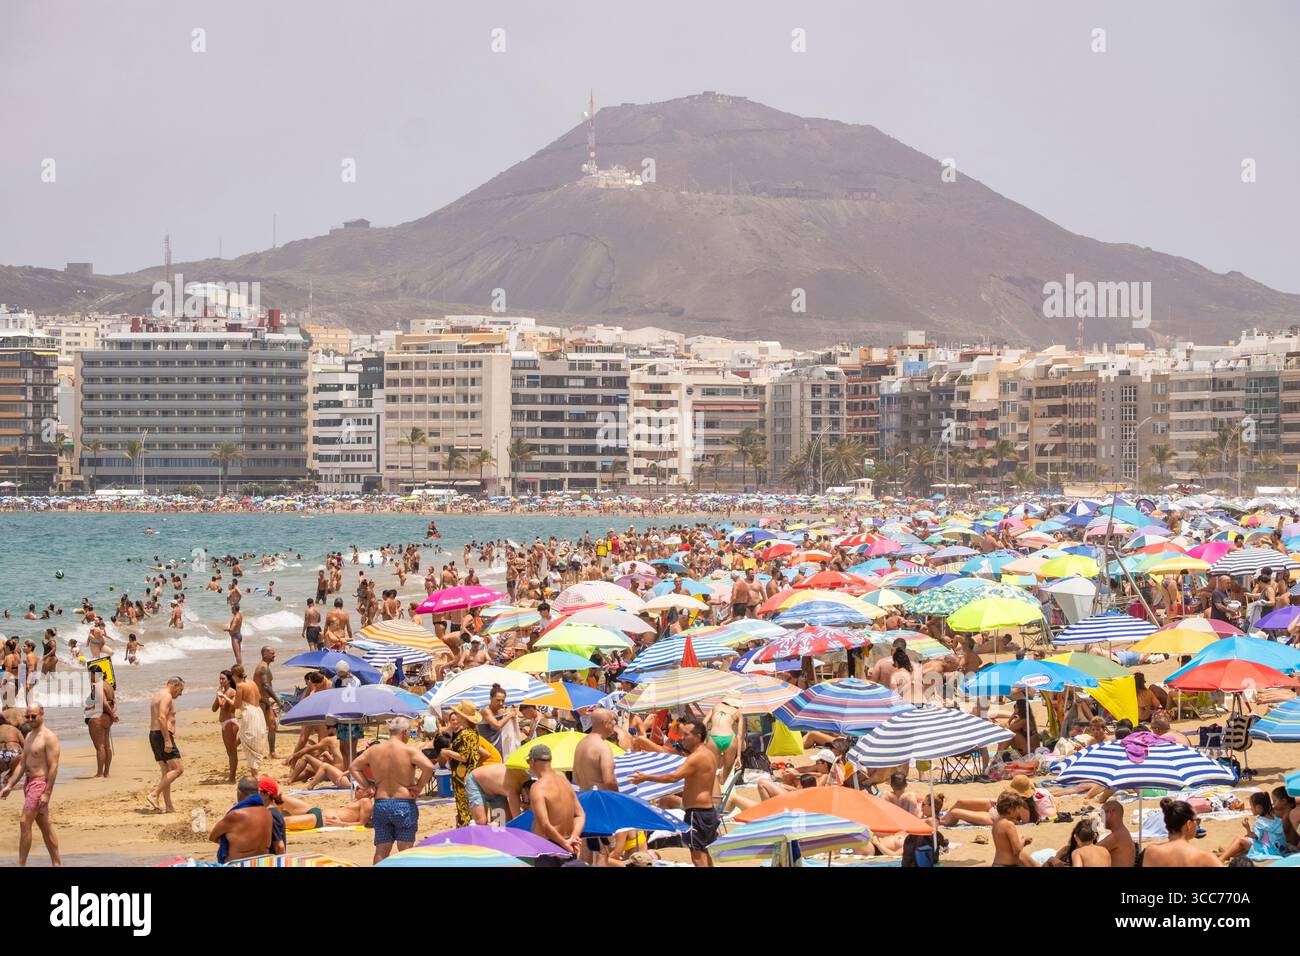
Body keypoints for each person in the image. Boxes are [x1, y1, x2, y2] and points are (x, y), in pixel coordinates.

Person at [630, 719, 719, 866]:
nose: (682, 738)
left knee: (698, 856)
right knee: (705, 851)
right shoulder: (708, 754)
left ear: (697, 737)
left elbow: (674, 777)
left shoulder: (696, 757)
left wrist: (646, 777)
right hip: (708, 811)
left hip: (697, 813)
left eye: (686, 735)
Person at [348, 716, 433, 863]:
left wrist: (367, 785)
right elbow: (429, 767)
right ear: (405, 732)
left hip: (381, 804)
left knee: (382, 850)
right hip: (404, 804)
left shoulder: (374, 750)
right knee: (406, 850)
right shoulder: (409, 750)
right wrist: (419, 787)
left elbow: (353, 767)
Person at [0, 703, 61, 866]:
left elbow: (54, 767)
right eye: (27, 716)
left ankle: (21, 864)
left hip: (40, 784)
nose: (30, 719)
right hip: (29, 783)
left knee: (24, 822)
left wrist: (47, 792)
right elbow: (22, 763)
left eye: (34, 716)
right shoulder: (28, 736)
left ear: (42, 715)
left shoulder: (49, 737)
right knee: (44, 825)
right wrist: (9, 785)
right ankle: (57, 863)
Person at [525, 744, 583, 864]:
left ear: (532, 761)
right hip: (568, 846)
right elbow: (580, 815)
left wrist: (564, 844)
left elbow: (545, 825)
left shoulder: (537, 787)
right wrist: (572, 838)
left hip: (548, 850)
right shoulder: (564, 780)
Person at [440, 701, 485, 827]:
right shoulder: (473, 732)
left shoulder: (465, 734)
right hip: (469, 774)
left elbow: (464, 757)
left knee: (464, 809)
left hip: (462, 778)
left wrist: (447, 752)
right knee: (469, 808)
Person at [208, 777, 274, 864]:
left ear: (239, 792)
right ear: (258, 792)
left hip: (239, 864)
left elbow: (213, 837)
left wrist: (228, 843)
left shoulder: (236, 815)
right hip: (262, 863)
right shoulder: (268, 814)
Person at [1142, 799, 1221, 867]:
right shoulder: (1205, 858)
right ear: (1189, 824)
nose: (1197, 824)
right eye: (1197, 821)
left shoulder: (1151, 852)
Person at [146, 676, 185, 812]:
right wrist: (167, 740)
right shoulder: (167, 696)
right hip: (162, 736)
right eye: (181, 689)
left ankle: (169, 806)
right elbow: (162, 717)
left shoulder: (158, 695)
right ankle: (154, 794)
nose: (180, 694)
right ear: (175, 685)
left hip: (154, 735)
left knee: (166, 772)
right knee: (178, 769)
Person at [1218, 791, 1288, 864]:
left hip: (1267, 850)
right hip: (1279, 849)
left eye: (1251, 807)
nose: (1251, 809)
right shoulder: (1276, 818)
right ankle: (1227, 854)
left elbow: (1254, 836)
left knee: (1240, 840)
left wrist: (1247, 828)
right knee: (1246, 842)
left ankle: (1221, 858)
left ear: (1258, 808)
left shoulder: (1260, 822)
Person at [465, 762, 531, 825]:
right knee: (481, 821)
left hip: (496, 790)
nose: (526, 800)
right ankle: (473, 828)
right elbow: (517, 820)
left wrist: (525, 805)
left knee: (503, 822)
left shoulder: (527, 780)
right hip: (476, 782)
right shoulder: (513, 790)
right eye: (527, 798)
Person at [232, 664, 268, 774]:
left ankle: (255, 774)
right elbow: (259, 697)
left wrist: (225, 698)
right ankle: (255, 772)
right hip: (258, 712)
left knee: (249, 742)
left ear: (234, 675)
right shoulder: (252, 683)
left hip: (249, 713)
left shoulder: (240, 686)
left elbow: (237, 705)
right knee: (256, 741)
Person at [572, 708, 619, 792]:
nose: (615, 723)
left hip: (584, 798)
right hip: (599, 799)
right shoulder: (603, 747)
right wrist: (618, 799)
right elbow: (609, 781)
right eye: (612, 720)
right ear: (605, 723)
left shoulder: (580, 744)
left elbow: (575, 777)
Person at [84, 665, 117, 778]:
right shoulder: (108, 685)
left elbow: (103, 703)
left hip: (97, 718)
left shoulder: (98, 686)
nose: (89, 677)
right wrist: (113, 714)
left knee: (100, 747)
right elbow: (114, 702)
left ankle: (99, 773)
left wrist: (112, 714)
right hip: (107, 718)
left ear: (94, 674)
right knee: (106, 746)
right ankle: (106, 772)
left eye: (90, 674)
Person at [990, 792, 1036, 866]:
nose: (1018, 812)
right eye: (1018, 808)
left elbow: (1006, 847)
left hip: (997, 863)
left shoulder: (996, 822)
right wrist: (1023, 840)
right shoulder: (1009, 824)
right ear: (1010, 810)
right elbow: (1016, 850)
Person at [213, 669, 239, 783]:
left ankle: (232, 778)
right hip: (225, 723)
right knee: (229, 751)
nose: (221, 681)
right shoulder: (223, 692)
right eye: (220, 678)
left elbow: (223, 706)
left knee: (232, 752)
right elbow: (214, 708)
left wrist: (220, 695)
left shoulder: (230, 691)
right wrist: (218, 695)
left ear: (229, 680)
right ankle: (231, 776)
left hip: (230, 722)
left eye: (223, 678)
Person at [253, 647, 278, 759]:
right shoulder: (263, 668)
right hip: (260, 701)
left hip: (266, 701)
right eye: (272, 653)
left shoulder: (265, 666)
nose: (274, 655)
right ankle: (236, 745)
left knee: (272, 725)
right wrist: (277, 700)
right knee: (256, 728)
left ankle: (272, 752)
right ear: (264, 654)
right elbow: (266, 686)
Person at [1099, 799, 1136, 867]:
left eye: (1101, 814)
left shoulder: (1117, 836)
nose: (1101, 819)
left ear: (1110, 813)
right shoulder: (1122, 832)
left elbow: (1091, 850)